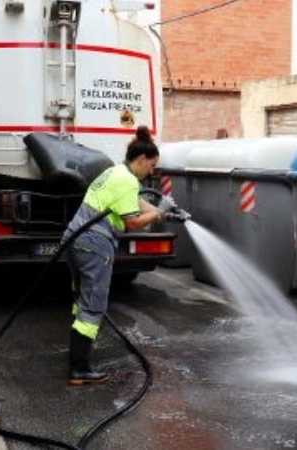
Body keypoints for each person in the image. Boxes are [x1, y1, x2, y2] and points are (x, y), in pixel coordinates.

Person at [63, 125, 177, 386]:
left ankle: (77, 355)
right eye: (151, 165)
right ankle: (79, 369)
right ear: (141, 159)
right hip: (94, 245)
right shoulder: (126, 180)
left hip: (75, 240)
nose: (152, 172)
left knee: (82, 299)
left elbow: (136, 201)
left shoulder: (116, 172)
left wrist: (166, 211)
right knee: (94, 305)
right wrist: (159, 213)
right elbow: (132, 223)